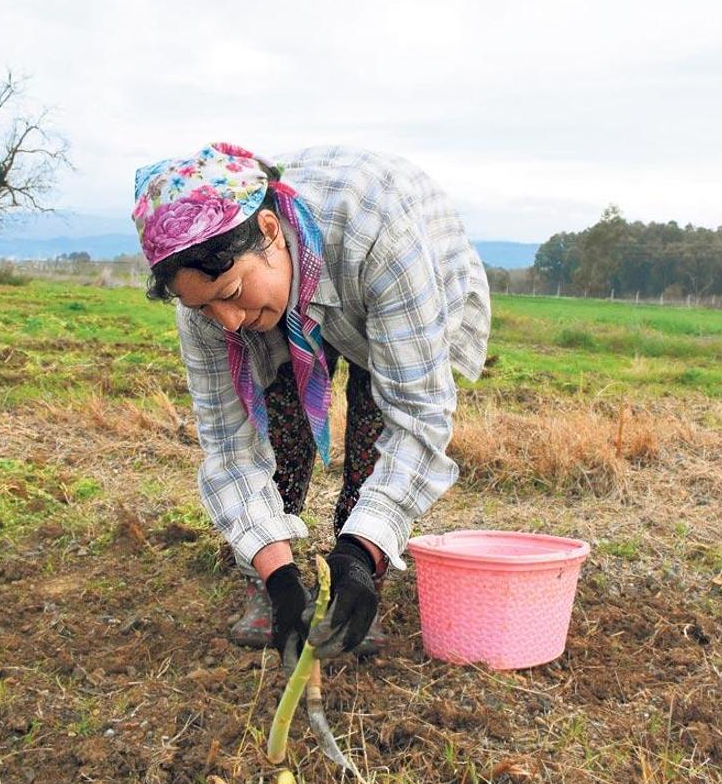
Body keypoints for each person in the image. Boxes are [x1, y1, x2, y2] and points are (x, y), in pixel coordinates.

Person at [133, 143, 490, 670]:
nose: (225, 319)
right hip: (302, 287)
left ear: (271, 233)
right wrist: (279, 577)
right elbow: (230, 448)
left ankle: (356, 578)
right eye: (202, 305)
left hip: (392, 279)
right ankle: (276, 577)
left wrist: (358, 554)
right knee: (281, 421)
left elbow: (416, 418)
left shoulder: (379, 236)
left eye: (231, 292)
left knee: (375, 422)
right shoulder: (209, 308)